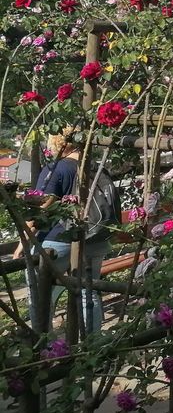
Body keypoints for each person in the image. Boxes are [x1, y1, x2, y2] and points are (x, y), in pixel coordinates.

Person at [14, 128, 112, 335]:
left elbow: (41, 209)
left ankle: (43, 342)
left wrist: (22, 243)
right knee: (88, 292)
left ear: (59, 142)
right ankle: (92, 344)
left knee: (40, 293)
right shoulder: (97, 168)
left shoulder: (56, 168)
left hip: (59, 240)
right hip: (96, 237)